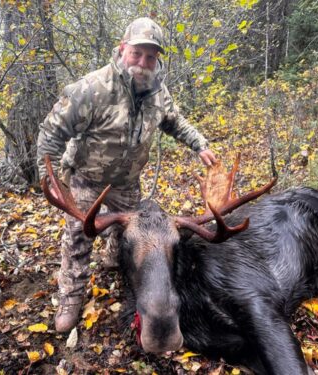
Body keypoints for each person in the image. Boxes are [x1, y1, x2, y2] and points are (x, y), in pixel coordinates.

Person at [37, 17, 218, 333]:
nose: (143, 62)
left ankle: (117, 266)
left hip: (126, 182)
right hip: (85, 178)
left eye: (151, 56)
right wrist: (49, 178)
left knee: (130, 239)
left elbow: (174, 121)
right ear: (123, 49)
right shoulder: (91, 89)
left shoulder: (157, 93)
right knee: (80, 237)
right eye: (137, 53)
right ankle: (71, 297)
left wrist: (198, 143)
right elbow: (51, 133)